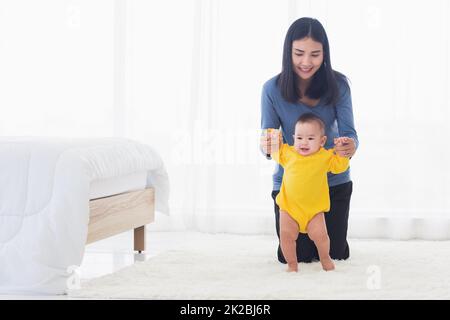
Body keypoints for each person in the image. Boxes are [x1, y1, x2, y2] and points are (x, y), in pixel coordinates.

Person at [260, 17, 359, 264]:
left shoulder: (339, 85)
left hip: (332, 184)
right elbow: (268, 140)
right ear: (288, 52)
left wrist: (349, 146)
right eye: (299, 53)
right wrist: (267, 146)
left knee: (335, 254)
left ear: (324, 54)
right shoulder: (271, 89)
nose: (306, 62)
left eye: (315, 54)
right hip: (291, 188)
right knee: (295, 256)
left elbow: (351, 134)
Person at [268, 113, 349, 272]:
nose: (304, 142)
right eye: (299, 138)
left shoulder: (324, 156)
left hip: (314, 210)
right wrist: (273, 137)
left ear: (322, 141)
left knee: (321, 236)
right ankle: (292, 264)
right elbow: (274, 150)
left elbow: (340, 166)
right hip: (289, 208)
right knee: (286, 236)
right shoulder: (287, 153)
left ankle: (325, 259)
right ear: (293, 138)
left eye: (310, 139)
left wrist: (341, 152)